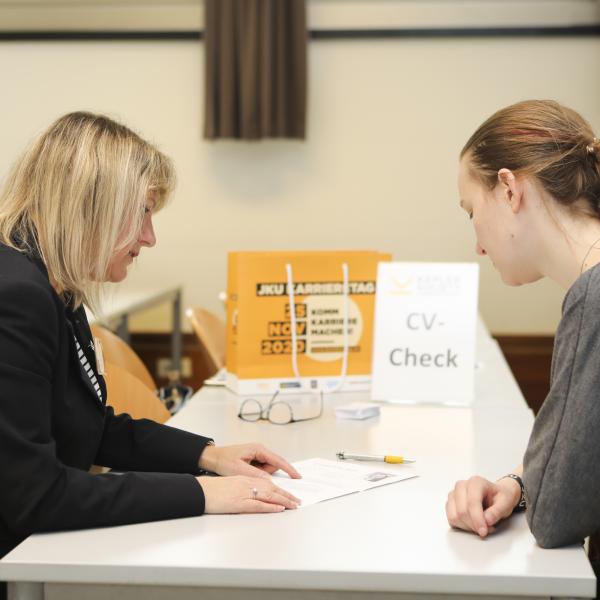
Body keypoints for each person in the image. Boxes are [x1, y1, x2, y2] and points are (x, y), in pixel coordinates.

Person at [0, 112, 302, 570]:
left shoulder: (51, 282)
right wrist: (202, 493)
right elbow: (35, 495)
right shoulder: (17, 295)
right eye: (141, 211)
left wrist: (208, 456)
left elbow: (89, 425)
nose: (150, 237)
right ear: (90, 204)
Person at [446, 99, 600, 574]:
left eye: (471, 210)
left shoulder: (593, 297)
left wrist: (531, 483)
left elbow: (555, 517)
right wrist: (520, 482)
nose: (477, 244)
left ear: (509, 189)